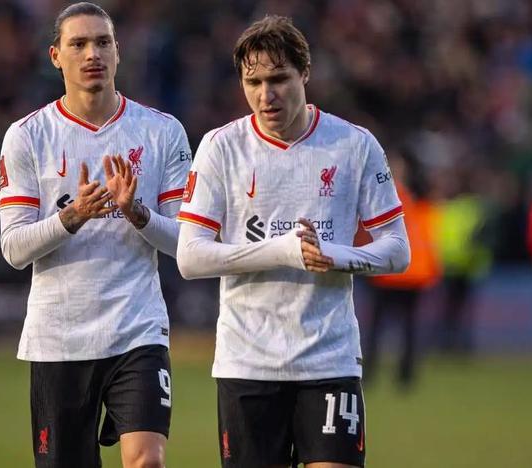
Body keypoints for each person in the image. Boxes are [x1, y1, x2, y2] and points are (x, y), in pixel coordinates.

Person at [177, 16, 410, 468]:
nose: (266, 95)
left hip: (330, 359)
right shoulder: (220, 147)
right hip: (247, 362)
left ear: (305, 73)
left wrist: (336, 256)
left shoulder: (354, 144)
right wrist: (283, 250)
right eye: (254, 82)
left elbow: (398, 250)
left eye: (279, 79)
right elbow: (190, 256)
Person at [0, 3, 190, 467]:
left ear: (118, 52)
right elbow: (13, 248)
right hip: (58, 336)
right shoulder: (28, 136)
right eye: (78, 44)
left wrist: (137, 213)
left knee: (147, 460)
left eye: (102, 42)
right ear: (55, 56)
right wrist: (73, 216)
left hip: (137, 329)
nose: (92, 54)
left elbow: (186, 243)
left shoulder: (162, 132)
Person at [361, 151, 441, 390]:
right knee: (393, 326)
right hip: (397, 272)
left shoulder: (396, 196)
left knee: (391, 326)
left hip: (398, 272)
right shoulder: (415, 197)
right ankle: (395, 374)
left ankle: (393, 373)